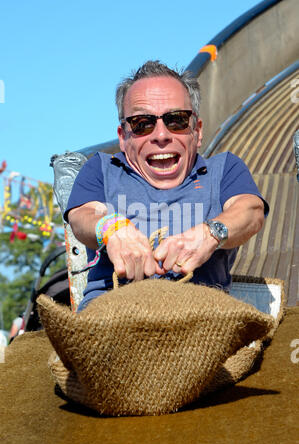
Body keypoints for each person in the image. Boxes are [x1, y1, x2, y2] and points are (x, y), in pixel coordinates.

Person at [65, 60, 268, 312]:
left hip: (201, 322)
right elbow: (82, 216)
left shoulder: (225, 169)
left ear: (198, 130)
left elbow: (250, 210)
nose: (161, 135)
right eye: (142, 123)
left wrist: (211, 233)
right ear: (123, 136)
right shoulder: (101, 170)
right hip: (110, 318)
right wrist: (110, 228)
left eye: (177, 120)